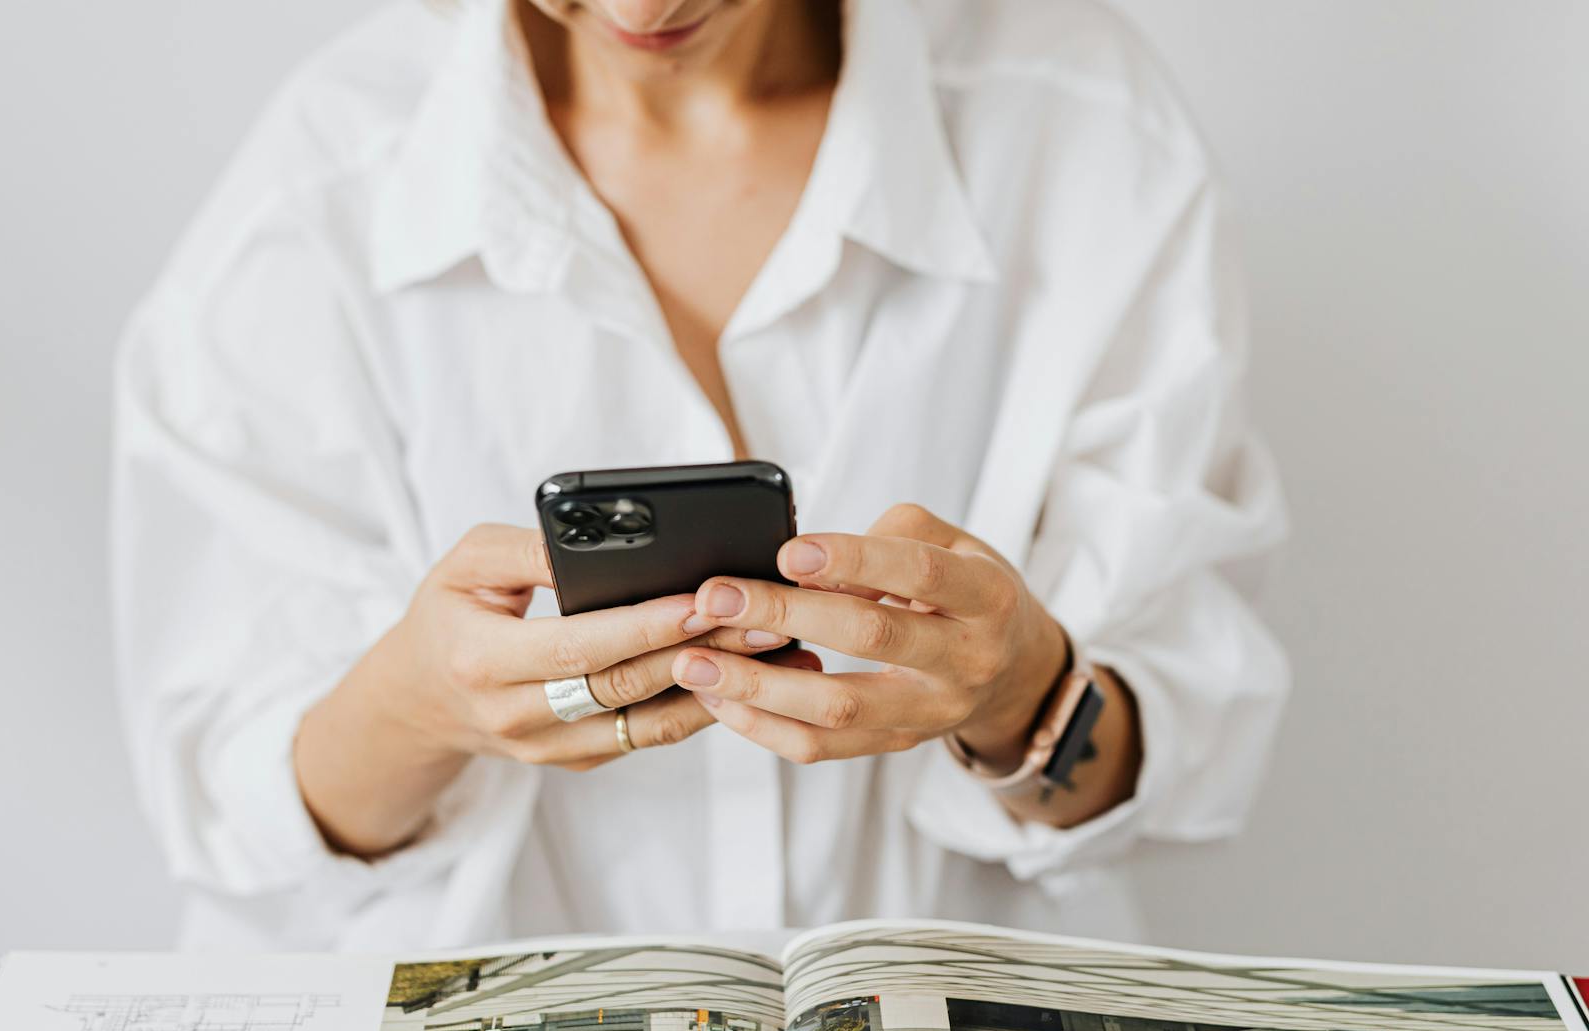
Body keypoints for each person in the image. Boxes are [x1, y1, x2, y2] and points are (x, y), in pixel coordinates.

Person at [112, 0, 1288, 953]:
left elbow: (1174, 744)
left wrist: (1022, 691)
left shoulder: (1076, 125)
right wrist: (415, 705)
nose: (644, 8)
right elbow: (236, 815)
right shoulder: (328, 183)